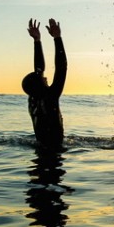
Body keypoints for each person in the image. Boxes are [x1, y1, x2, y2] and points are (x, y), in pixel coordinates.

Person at [22, 18, 68, 150]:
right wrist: (57, 38)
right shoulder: (50, 98)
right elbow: (61, 68)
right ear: (39, 85)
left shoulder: (33, 100)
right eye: (42, 79)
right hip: (55, 150)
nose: (45, 77)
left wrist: (37, 41)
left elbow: (39, 69)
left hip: (40, 148)